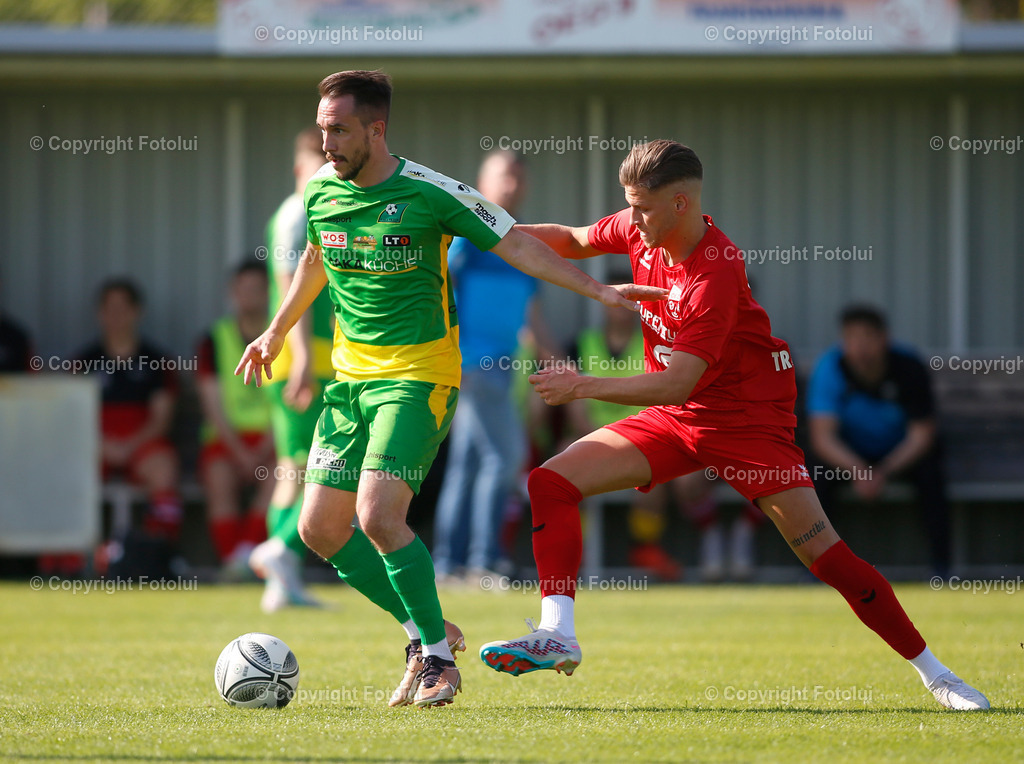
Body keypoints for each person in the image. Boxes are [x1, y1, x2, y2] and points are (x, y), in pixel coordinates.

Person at [479, 140, 989, 711]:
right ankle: (558, 634)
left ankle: (937, 674)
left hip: (746, 423)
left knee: (828, 559)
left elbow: (677, 383)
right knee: (550, 482)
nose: (631, 218)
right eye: (628, 204)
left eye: (641, 207)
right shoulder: (641, 226)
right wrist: (482, 230)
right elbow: (573, 240)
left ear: (680, 203)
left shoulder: (714, 272)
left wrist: (582, 385)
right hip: (678, 417)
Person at [234, 70, 662, 708]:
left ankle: (437, 660)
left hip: (418, 379)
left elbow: (516, 244)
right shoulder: (321, 190)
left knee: (378, 515)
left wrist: (597, 290)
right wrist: (275, 332)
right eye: (323, 129)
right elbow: (318, 258)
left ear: (376, 130)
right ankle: (426, 632)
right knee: (319, 529)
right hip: (350, 385)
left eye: (339, 130)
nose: (327, 143)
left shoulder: (433, 192)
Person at [432, 149, 559, 586]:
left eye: (519, 177)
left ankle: (449, 564)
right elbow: (439, 294)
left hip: (501, 370)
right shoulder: (468, 236)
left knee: (469, 465)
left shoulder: (523, 241)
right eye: (505, 175)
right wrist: (451, 358)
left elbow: (532, 316)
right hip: (473, 367)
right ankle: (483, 561)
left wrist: (557, 364)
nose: (513, 185)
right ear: (483, 182)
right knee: (505, 458)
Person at [567, 301, 764, 582]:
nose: (619, 308)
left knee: (659, 465)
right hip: (598, 435)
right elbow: (575, 407)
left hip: (647, 434)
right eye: (613, 301)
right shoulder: (581, 344)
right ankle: (574, 550)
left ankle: (648, 546)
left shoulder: (655, 343)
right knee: (568, 460)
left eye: (626, 302)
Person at [247, 127, 336, 613]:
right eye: (320, 167)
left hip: (318, 360)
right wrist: (301, 359)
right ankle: (280, 549)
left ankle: (284, 580)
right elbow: (289, 289)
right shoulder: (295, 214)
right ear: (301, 169)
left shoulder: (319, 211)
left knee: (298, 467)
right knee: (307, 464)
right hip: (302, 362)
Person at [807, 305, 952, 576]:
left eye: (868, 337)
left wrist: (882, 471)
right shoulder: (829, 368)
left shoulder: (909, 366)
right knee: (815, 474)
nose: (860, 347)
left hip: (900, 456)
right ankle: (815, 568)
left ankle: (941, 569)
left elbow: (921, 436)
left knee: (931, 472)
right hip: (850, 456)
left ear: (884, 338)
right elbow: (822, 438)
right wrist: (859, 470)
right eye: (851, 338)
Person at [77, 279, 183, 572]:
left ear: (137, 312)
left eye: (123, 308)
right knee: (67, 470)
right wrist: (102, 445)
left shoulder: (157, 361)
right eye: (109, 309)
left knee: (164, 468)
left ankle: (156, 554)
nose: (116, 316)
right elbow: (74, 419)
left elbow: (161, 419)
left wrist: (128, 446)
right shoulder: (83, 361)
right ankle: (73, 558)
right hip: (96, 444)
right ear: (99, 313)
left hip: (142, 441)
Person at [196, 261, 276, 578]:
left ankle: (246, 557)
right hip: (226, 440)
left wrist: (263, 448)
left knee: (285, 475)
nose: (249, 296)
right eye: (243, 289)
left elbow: (289, 399)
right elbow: (212, 407)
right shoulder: (213, 340)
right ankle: (233, 561)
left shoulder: (282, 336)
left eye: (256, 289)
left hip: (271, 440)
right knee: (219, 476)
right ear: (232, 293)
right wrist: (241, 453)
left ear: (269, 292)